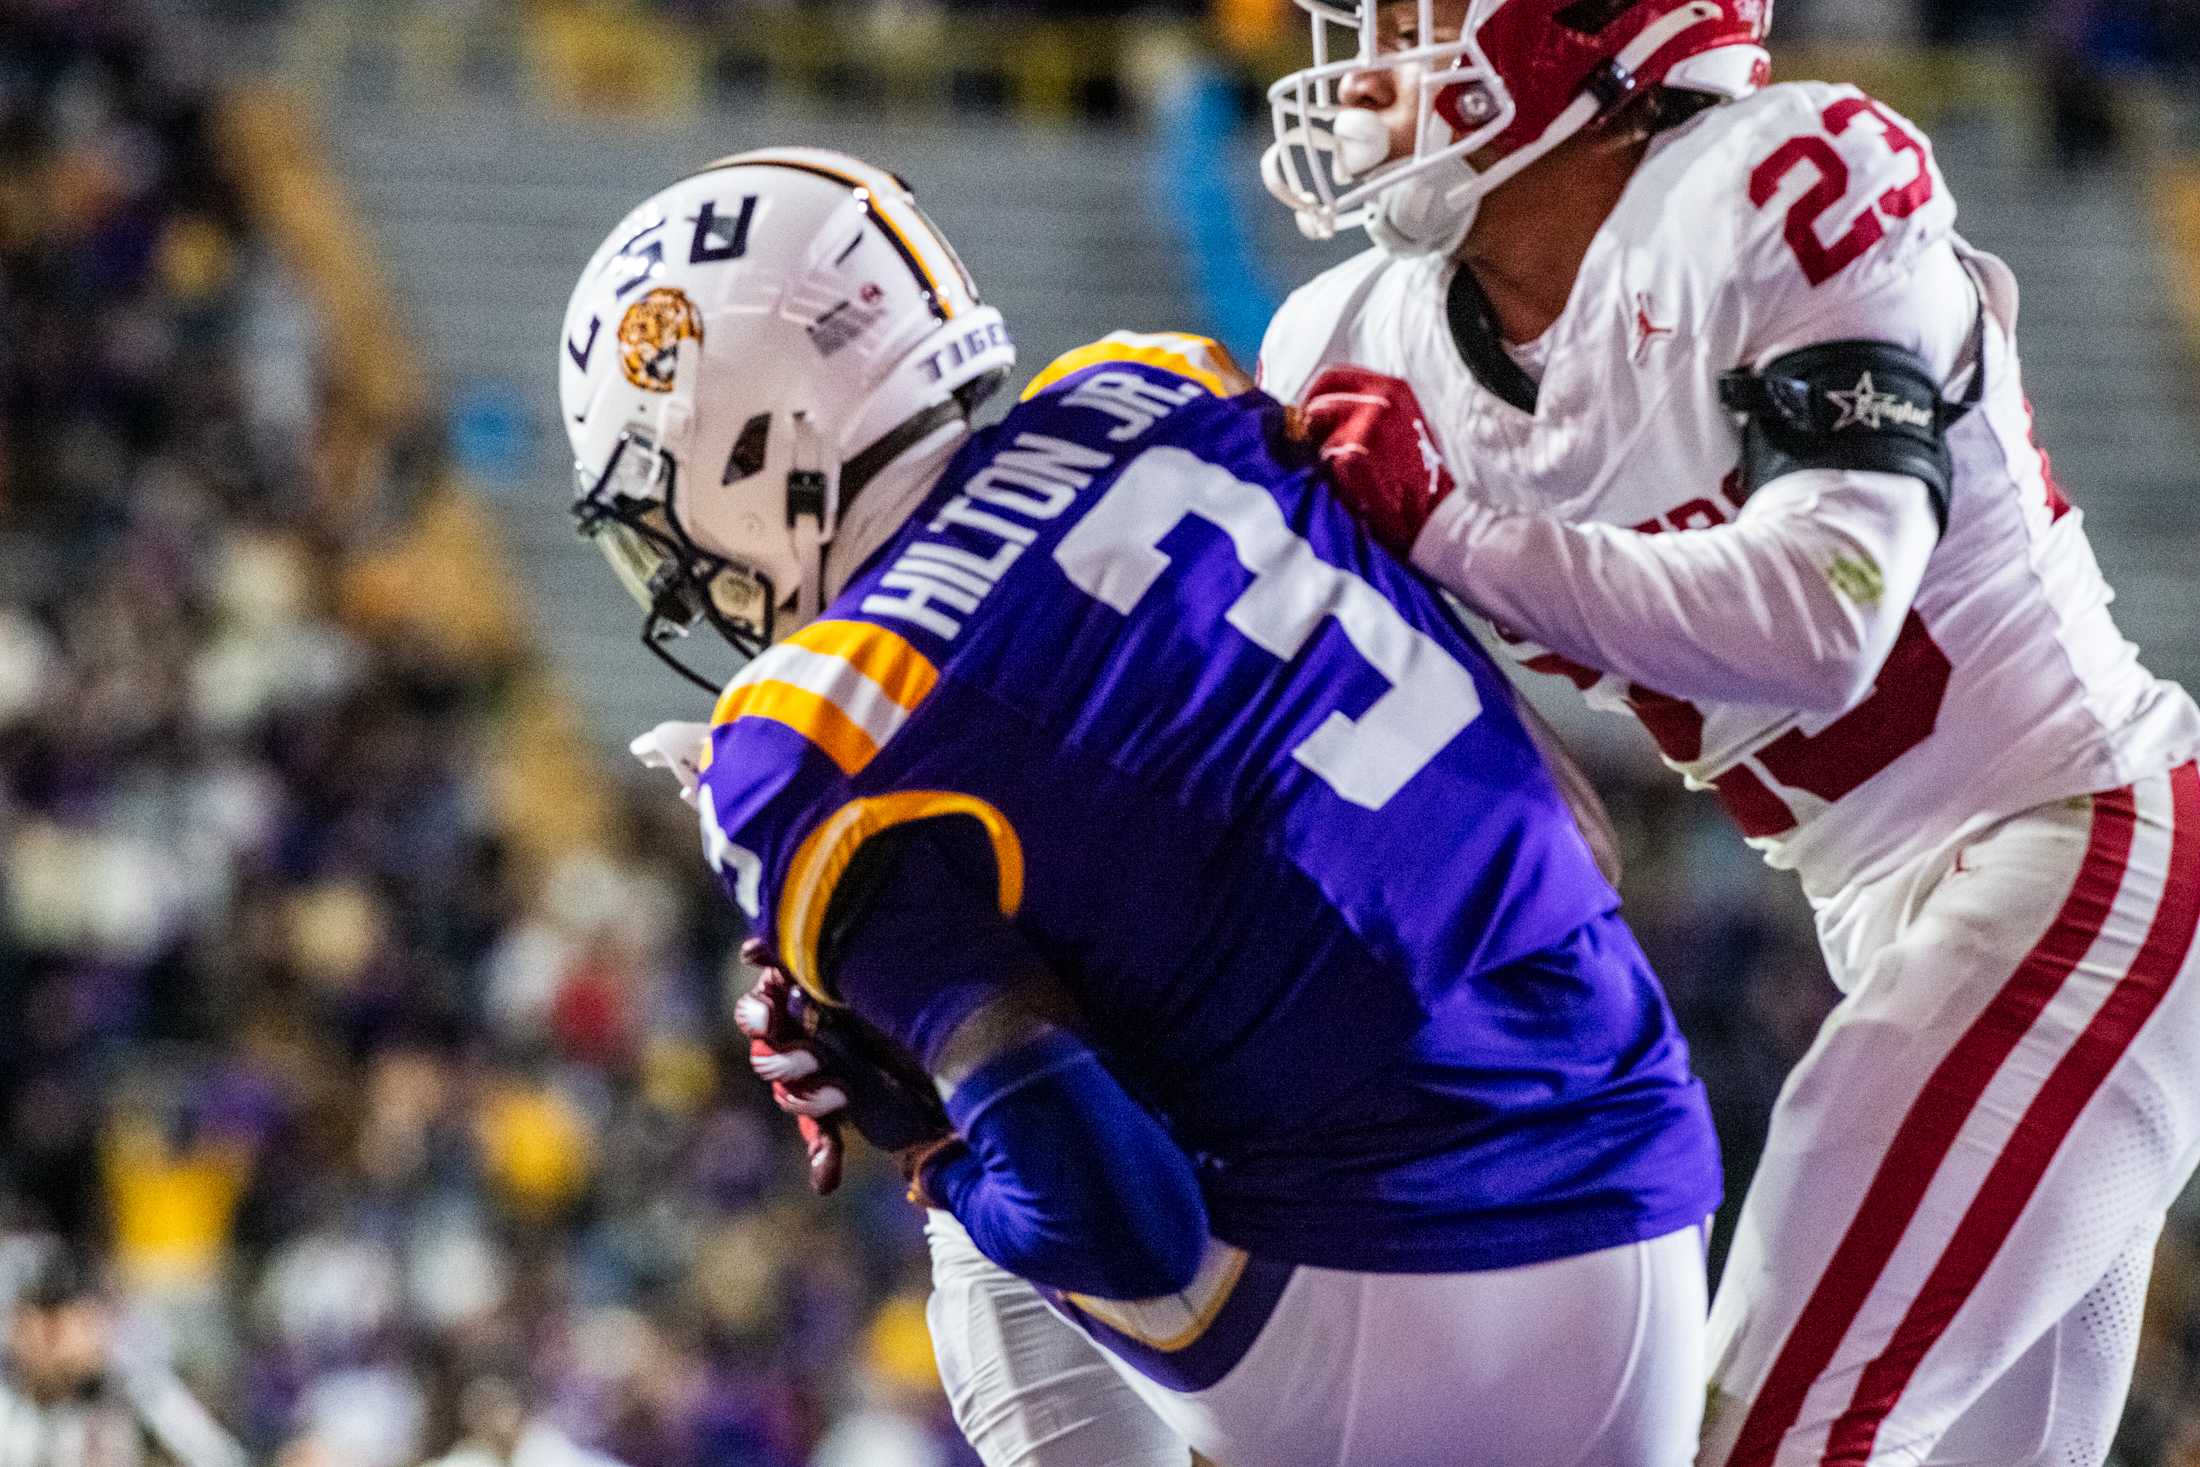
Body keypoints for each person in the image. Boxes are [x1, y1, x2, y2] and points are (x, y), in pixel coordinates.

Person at [559, 147, 1720, 1467]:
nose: (686, 580)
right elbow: (1575, 825)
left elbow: (1120, 1219)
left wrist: (933, 1127)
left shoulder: (809, 730)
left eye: (670, 528)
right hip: (1643, 1166)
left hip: (1431, 1328)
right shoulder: (1158, 386)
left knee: (975, 1143)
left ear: (756, 447)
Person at [1253, 4, 2200, 1465]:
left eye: (1423, 14)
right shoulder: (1351, 337)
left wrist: (1453, 529)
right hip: (1897, 909)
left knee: (1764, 1433)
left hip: (2083, 847)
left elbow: (1830, 611)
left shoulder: (1785, 181)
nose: (1374, 52)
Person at [0, 1242, 246, 1467]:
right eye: (44, 1329)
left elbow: (221, 1458)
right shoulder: (8, 1407)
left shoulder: (141, 1394)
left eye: (86, 1321)